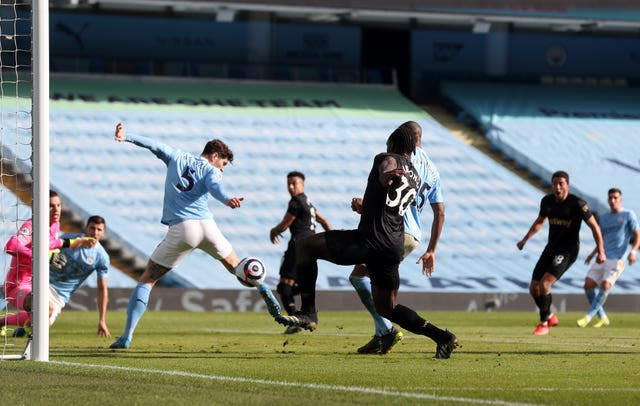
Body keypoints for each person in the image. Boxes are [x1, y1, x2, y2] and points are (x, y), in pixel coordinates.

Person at [275, 125, 459, 359]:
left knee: (305, 246)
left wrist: (384, 175)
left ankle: (308, 312)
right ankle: (442, 337)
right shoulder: (414, 174)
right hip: (392, 247)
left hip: (370, 241)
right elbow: (390, 207)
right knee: (388, 308)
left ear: (393, 143)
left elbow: (386, 169)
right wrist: (367, 205)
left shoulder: (387, 159)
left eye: (388, 144)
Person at [109, 123, 280, 349]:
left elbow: (154, 146)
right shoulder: (211, 170)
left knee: (148, 279)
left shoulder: (177, 156)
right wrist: (227, 199)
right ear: (215, 155)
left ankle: (126, 336)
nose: (222, 169)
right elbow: (215, 188)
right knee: (237, 266)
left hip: (183, 228)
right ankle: (263, 288)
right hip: (208, 226)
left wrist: (126, 136)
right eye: (224, 164)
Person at [349, 121, 444, 354]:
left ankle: (387, 331)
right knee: (376, 286)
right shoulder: (433, 169)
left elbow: (392, 195)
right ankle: (382, 332)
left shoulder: (401, 159)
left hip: (392, 231)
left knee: (360, 279)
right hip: (413, 236)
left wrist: (367, 205)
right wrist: (432, 249)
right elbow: (439, 211)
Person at [517, 170, 605, 336]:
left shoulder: (577, 204)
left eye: (561, 184)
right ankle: (550, 315)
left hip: (568, 250)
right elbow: (539, 222)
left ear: (567, 186)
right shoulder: (547, 201)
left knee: (544, 284)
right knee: (533, 288)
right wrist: (525, 239)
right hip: (551, 248)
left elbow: (594, 226)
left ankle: (543, 324)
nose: (557, 187)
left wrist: (600, 250)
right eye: (555, 183)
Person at [0, 190, 95, 337]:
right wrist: (45, 256)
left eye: (58, 205)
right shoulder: (32, 224)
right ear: (41, 207)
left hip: (35, 282)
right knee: (45, 308)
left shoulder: (55, 224)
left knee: (46, 313)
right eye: (51, 206)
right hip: (16, 285)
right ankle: (32, 339)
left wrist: (75, 242)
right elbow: (12, 245)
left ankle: (5, 323)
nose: (56, 209)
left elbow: (51, 242)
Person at [269, 171, 331, 334]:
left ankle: (296, 321)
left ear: (302, 184)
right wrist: (331, 238)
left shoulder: (296, 201)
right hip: (313, 246)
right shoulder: (309, 203)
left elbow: (285, 224)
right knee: (295, 285)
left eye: (294, 183)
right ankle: (302, 315)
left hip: (298, 246)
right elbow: (324, 220)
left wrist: (273, 231)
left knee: (284, 287)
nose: (290, 187)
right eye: (288, 183)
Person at [577, 188, 640, 328]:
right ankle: (603, 317)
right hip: (603, 256)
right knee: (588, 285)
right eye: (610, 198)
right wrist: (593, 254)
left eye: (615, 198)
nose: (612, 200)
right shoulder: (604, 218)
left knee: (605, 285)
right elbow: (602, 239)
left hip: (618, 258)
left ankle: (588, 316)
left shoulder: (628, 215)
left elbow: (637, 234)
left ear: (620, 199)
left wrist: (634, 251)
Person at [48, 215, 112, 336]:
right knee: (40, 315)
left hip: (60, 296)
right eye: (92, 228)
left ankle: (21, 326)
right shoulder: (68, 239)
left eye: (99, 230)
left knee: (43, 323)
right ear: (86, 228)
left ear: (103, 233)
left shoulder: (101, 257)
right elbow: (46, 251)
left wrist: (102, 320)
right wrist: (51, 257)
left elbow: (102, 288)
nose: (95, 232)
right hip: (43, 282)